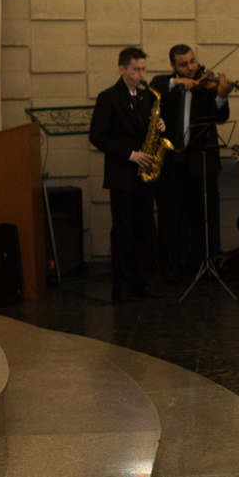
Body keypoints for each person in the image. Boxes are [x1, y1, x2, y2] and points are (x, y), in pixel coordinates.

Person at [89, 47, 168, 302]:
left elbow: (147, 131)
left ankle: (142, 282)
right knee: (123, 231)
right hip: (122, 173)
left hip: (144, 174)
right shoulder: (108, 97)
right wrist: (130, 155)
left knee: (145, 228)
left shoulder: (147, 97)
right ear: (122, 69)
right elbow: (97, 136)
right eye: (136, 70)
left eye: (144, 69)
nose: (141, 75)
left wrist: (160, 127)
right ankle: (121, 286)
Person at [151, 45, 235, 280]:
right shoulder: (164, 84)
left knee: (203, 216)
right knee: (169, 216)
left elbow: (221, 117)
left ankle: (201, 265)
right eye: (184, 64)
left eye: (192, 61)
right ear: (173, 67)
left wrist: (221, 96)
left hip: (201, 161)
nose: (191, 68)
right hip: (170, 163)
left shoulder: (207, 84)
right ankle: (170, 268)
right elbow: (151, 89)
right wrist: (176, 83)